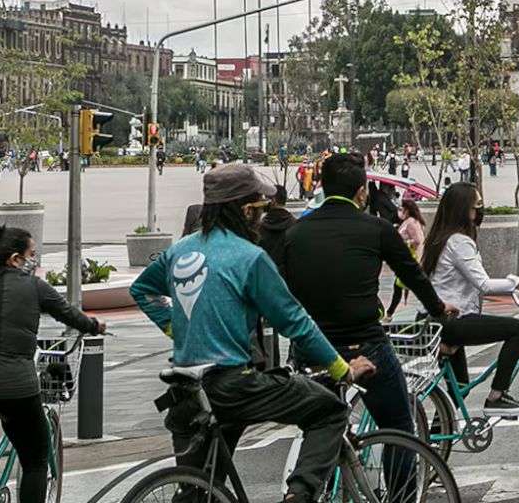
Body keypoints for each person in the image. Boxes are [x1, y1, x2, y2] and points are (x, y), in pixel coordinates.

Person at [133, 164, 373, 503]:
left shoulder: (179, 250)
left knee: (198, 488)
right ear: (246, 210)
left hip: (185, 390)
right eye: (261, 210)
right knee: (330, 411)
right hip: (234, 386)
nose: (262, 218)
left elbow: (142, 289)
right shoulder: (249, 257)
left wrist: (179, 329)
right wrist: (340, 368)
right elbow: (295, 322)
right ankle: (299, 495)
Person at [281, 153, 452, 484]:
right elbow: (413, 275)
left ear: (320, 186)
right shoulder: (376, 229)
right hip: (365, 345)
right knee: (398, 426)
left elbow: (280, 292)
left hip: (312, 348)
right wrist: (438, 309)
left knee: (320, 427)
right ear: (362, 192)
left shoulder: (295, 233)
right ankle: (400, 493)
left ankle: (310, 488)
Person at [0, 226, 107, 503]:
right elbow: (69, 314)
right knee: (35, 459)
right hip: (14, 387)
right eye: (31, 255)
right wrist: (94, 325)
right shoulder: (35, 286)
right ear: (15, 259)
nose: (34, 260)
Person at [422, 182, 519, 415]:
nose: (480, 211)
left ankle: (434, 444)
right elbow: (484, 284)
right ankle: (497, 395)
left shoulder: (439, 238)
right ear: (462, 209)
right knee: (518, 329)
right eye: (476, 206)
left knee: (458, 390)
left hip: (439, 320)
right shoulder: (459, 242)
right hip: (455, 320)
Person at [385, 197, 428, 318]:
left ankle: (389, 313)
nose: (400, 211)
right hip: (405, 259)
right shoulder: (409, 221)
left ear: (407, 209)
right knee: (402, 286)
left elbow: (418, 241)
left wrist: (405, 243)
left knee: (399, 286)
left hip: (410, 259)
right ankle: (390, 312)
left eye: (401, 208)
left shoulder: (412, 223)